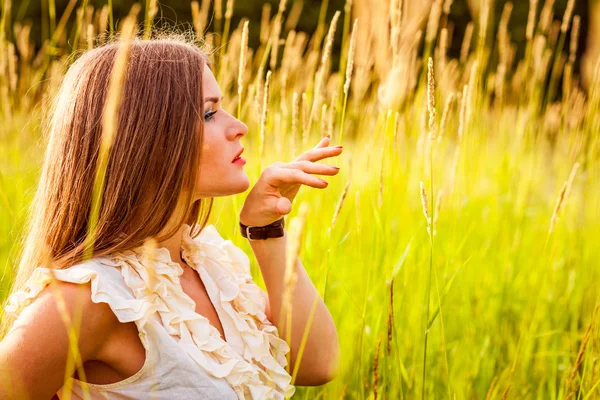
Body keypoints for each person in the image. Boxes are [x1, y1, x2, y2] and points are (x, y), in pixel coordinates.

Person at [0, 34, 341, 399]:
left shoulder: (207, 261)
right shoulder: (92, 296)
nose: (238, 126)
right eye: (209, 113)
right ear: (145, 138)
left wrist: (266, 228)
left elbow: (315, 364)